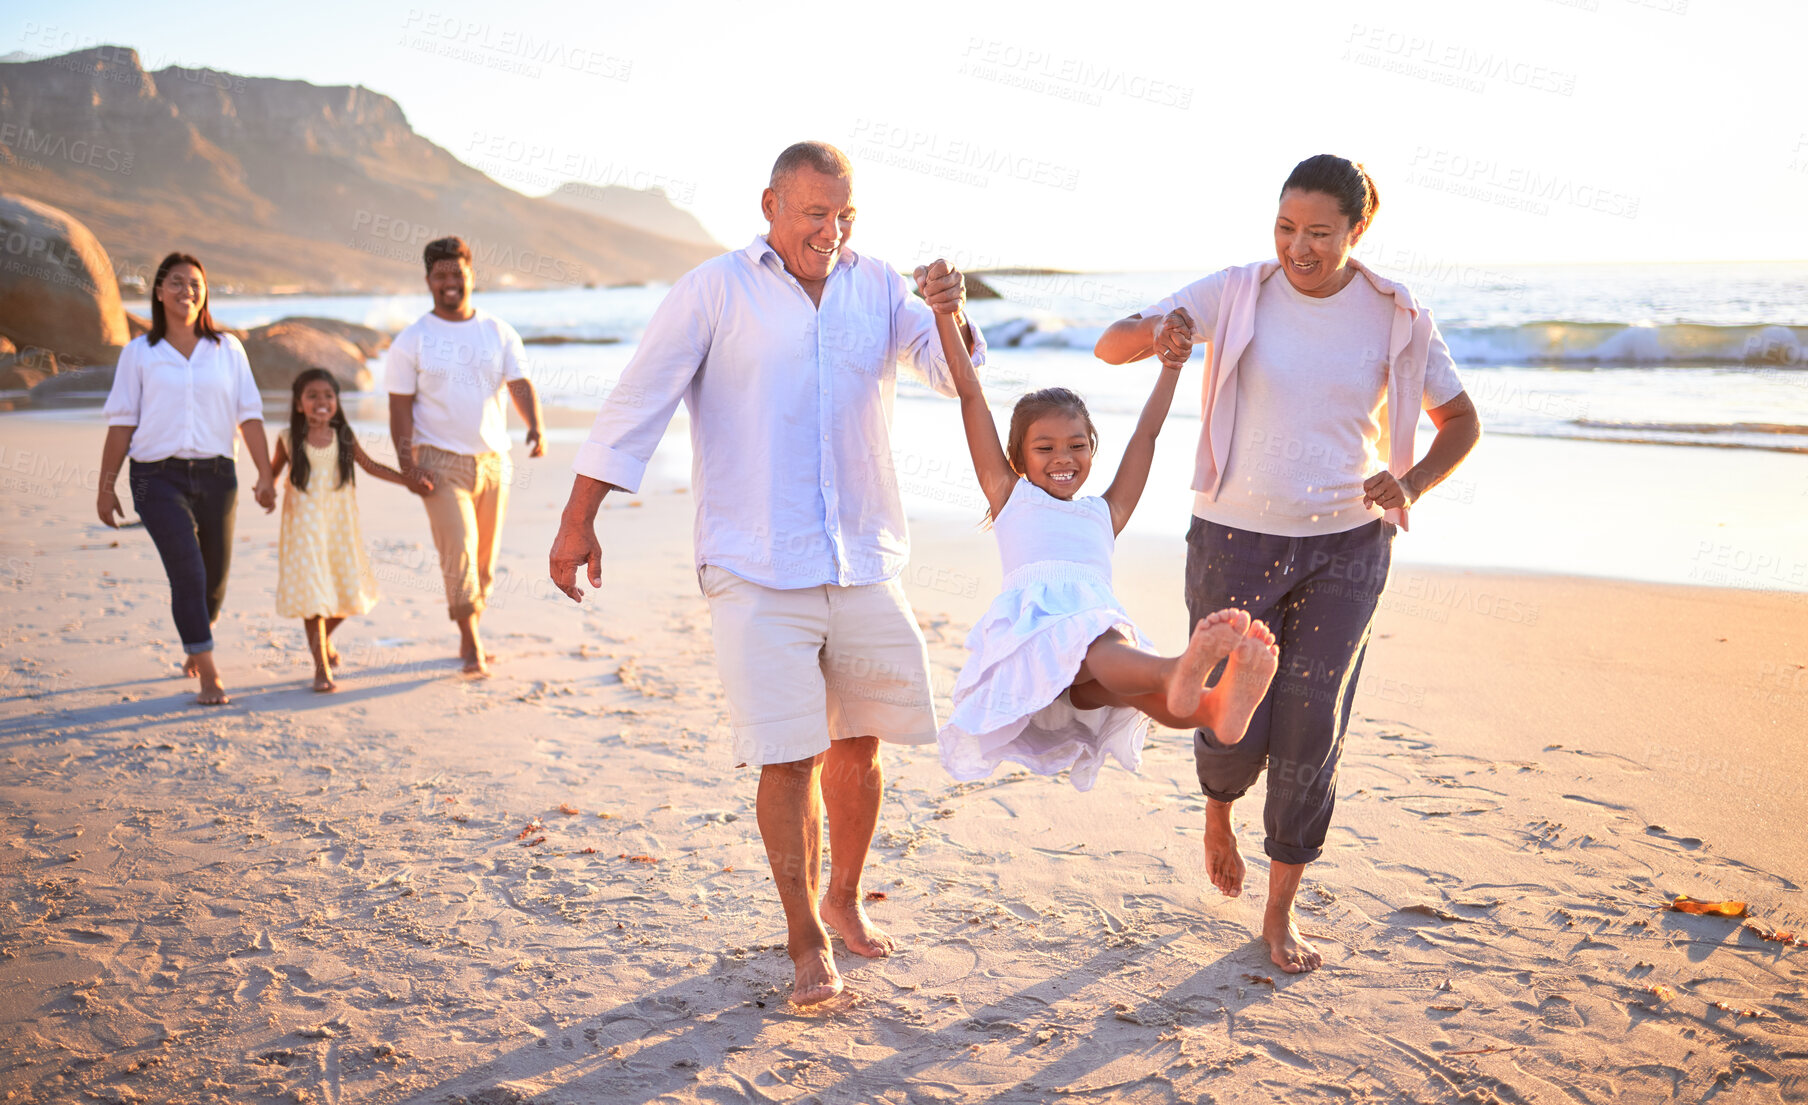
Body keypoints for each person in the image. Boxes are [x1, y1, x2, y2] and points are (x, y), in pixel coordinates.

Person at [548, 141, 984, 1006]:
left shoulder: (880, 284)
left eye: (844, 213)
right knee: (787, 757)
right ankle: (802, 934)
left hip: (863, 558)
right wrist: (576, 518)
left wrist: (946, 311)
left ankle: (844, 897)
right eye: (815, 212)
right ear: (772, 206)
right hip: (755, 563)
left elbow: (949, 374)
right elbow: (640, 399)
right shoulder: (716, 288)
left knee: (858, 748)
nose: (832, 229)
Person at [1095, 154, 1482, 974]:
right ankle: (1218, 809)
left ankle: (1280, 910)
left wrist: (1409, 481)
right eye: (1284, 228)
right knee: (1234, 712)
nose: (1297, 248)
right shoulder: (1238, 290)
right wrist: (1156, 336)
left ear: (1356, 231)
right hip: (1234, 533)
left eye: (1318, 233)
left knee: (1314, 720)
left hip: (1349, 541)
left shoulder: (1396, 313)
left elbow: (1462, 421)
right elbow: (1111, 343)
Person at [927, 282, 1279, 790]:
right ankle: (1179, 668)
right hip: (1037, 645)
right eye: (1044, 447)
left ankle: (1212, 708)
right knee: (1100, 640)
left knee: (1134, 692)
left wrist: (1171, 368)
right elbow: (970, 395)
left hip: (1087, 676)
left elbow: (1147, 435)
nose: (1062, 457)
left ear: (1093, 449)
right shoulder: (1011, 498)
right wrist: (945, 314)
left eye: (1076, 444)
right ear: (1019, 459)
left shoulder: (1104, 513)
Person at [97, 252, 275, 706]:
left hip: (219, 475)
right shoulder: (139, 354)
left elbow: (249, 415)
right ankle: (207, 670)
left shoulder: (228, 350)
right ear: (158, 291)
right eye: (176, 283)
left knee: (214, 580)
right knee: (188, 571)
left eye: (195, 284)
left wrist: (266, 474)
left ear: (205, 293)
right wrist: (106, 486)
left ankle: (198, 631)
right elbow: (121, 424)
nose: (187, 291)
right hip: (155, 478)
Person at [387, 236, 545, 675]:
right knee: (458, 554)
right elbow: (399, 408)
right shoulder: (412, 340)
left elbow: (519, 382)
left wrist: (535, 424)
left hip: (495, 463)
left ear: (471, 276)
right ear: (428, 281)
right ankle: (470, 640)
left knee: (484, 563)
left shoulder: (498, 330)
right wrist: (407, 465)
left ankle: (470, 628)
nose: (450, 282)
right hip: (438, 462)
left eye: (457, 273)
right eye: (440, 275)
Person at [271, 369, 410, 692]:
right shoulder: (288, 438)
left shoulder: (343, 436)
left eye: (328, 396)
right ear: (298, 403)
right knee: (315, 598)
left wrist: (409, 480)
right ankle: (321, 669)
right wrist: (265, 489)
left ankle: (322, 640)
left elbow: (371, 465)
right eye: (312, 396)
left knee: (350, 593)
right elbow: (273, 474)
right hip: (303, 530)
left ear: (337, 401)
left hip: (339, 529)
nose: (321, 402)